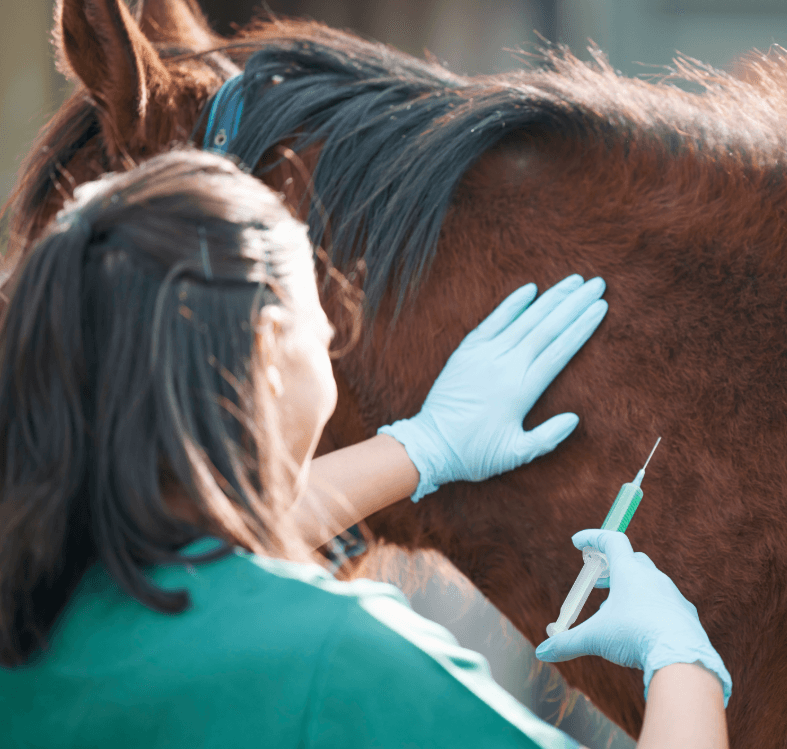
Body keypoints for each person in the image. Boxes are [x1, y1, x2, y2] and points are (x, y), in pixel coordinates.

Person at [0, 148, 730, 749]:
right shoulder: (337, 660)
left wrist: (425, 446)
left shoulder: (35, 615)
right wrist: (681, 662)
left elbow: (195, 546)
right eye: (324, 339)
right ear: (266, 349)